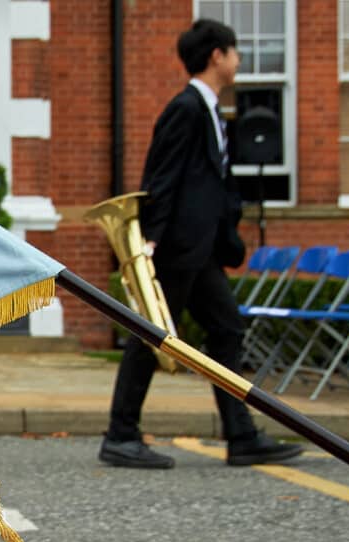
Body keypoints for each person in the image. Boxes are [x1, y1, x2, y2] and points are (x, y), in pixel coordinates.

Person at [101, 19, 301, 469]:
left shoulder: (208, 110)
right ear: (217, 56)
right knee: (150, 336)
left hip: (202, 248)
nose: (238, 60)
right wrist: (150, 238)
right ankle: (120, 434)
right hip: (176, 246)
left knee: (227, 328)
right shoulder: (187, 108)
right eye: (234, 52)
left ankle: (240, 434)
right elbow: (163, 174)